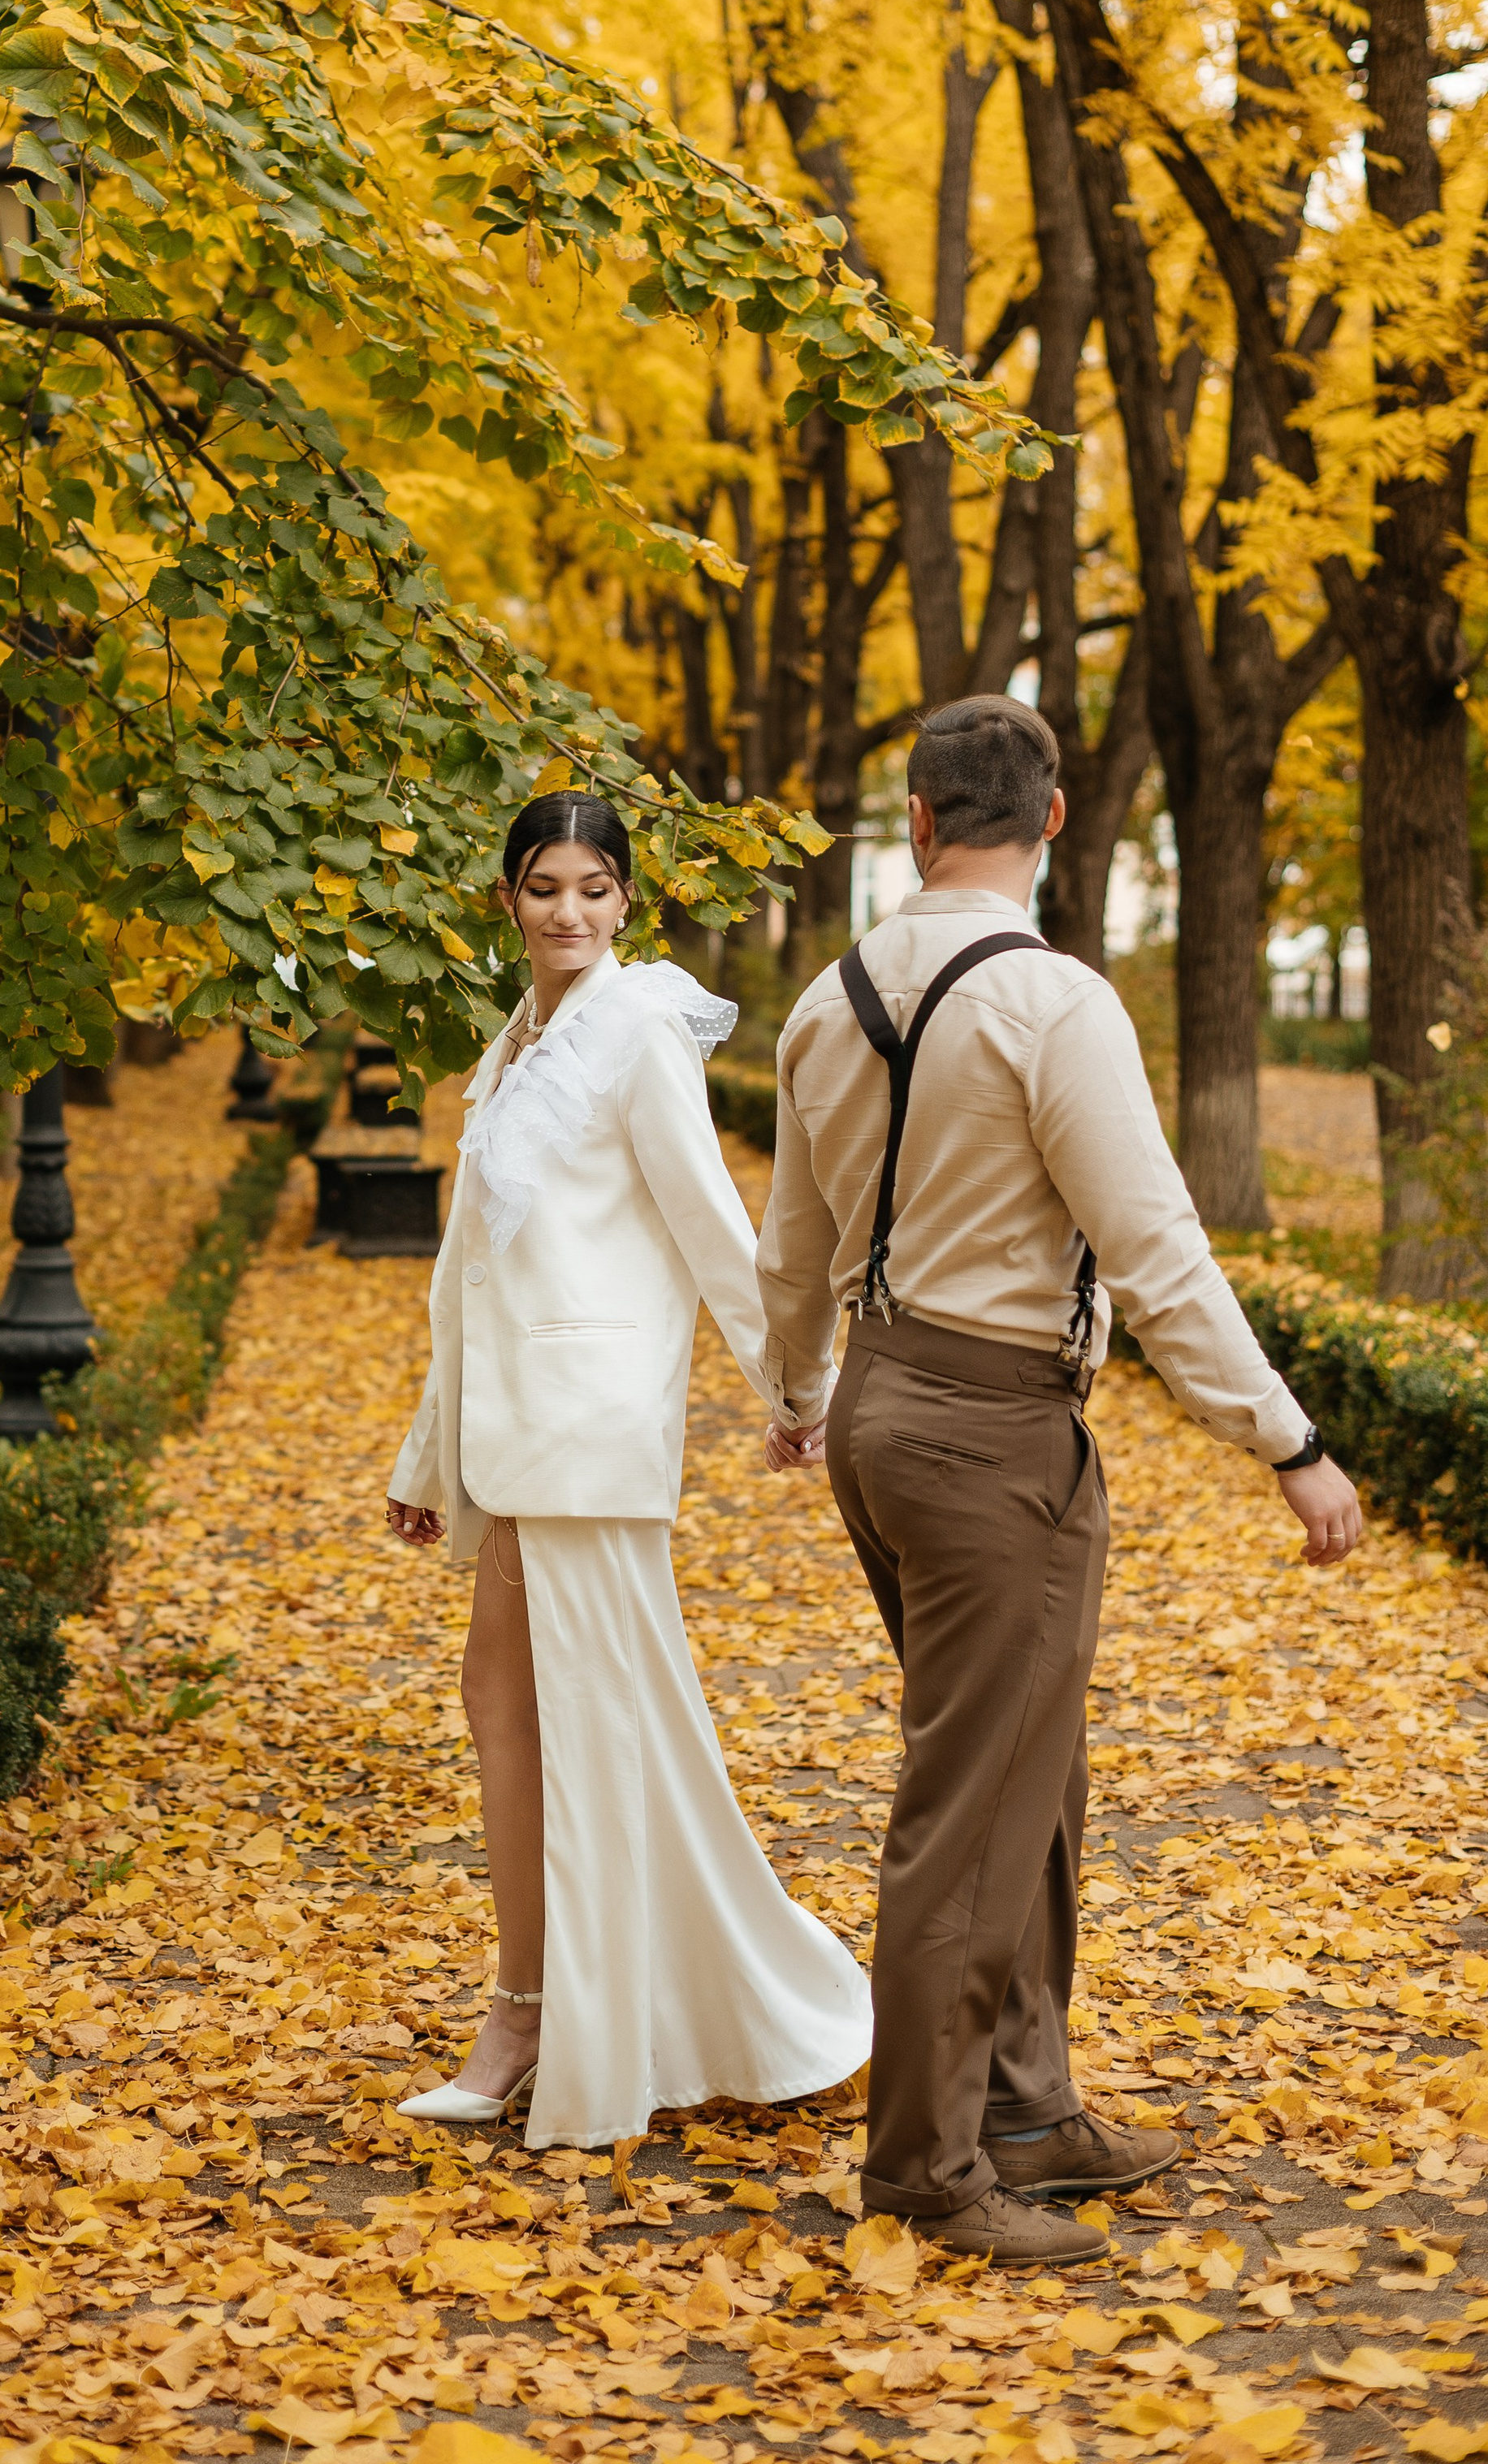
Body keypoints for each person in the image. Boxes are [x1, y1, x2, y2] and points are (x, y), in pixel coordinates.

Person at [757, 694, 1362, 2266]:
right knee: (972, 1805)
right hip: (995, 1432)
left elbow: (795, 1253)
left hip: (886, 1409)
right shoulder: (1054, 1005)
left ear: (915, 820)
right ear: (1056, 817)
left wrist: (803, 1393)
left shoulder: (825, 1005)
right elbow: (1157, 1253)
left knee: (1028, 1777)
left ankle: (1027, 2102)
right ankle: (925, 2169)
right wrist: (1287, 1443)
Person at [383, 791, 872, 2153]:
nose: (571, 912)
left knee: (592, 1730)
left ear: (627, 901)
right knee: (509, 1709)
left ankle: (553, 2026)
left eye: (597, 888)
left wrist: (795, 1386)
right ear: (508, 899)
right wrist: (432, 1452)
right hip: (518, 1436)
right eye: (546, 886)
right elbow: (467, 1276)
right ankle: (537, 2012)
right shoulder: (518, 1040)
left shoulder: (640, 1027)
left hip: (593, 1432)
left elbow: (719, 1226)